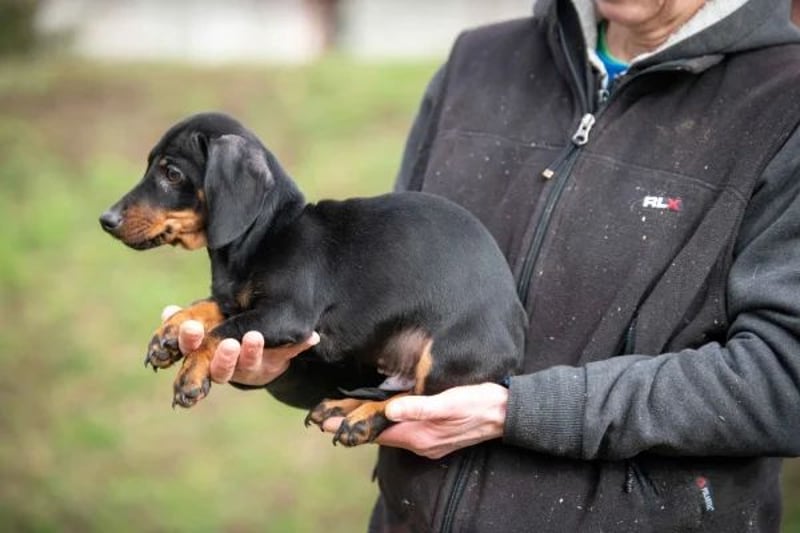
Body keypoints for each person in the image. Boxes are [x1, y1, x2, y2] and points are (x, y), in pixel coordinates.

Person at [166, 0, 800, 530]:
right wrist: (285, 361)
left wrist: (516, 411)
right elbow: (377, 308)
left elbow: (783, 383)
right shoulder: (479, 63)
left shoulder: (785, 104)